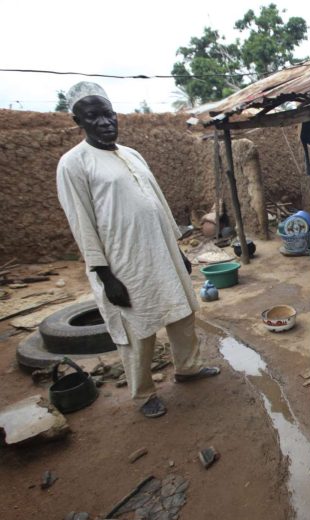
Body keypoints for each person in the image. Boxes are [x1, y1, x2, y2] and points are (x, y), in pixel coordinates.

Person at [56, 82, 219, 419]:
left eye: (108, 114)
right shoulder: (73, 164)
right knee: (137, 329)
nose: (104, 122)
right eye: (94, 117)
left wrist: (179, 251)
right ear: (78, 121)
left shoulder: (132, 154)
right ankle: (144, 393)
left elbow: (157, 203)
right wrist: (105, 276)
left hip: (161, 251)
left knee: (181, 312)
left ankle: (188, 367)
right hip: (122, 262)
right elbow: (81, 222)